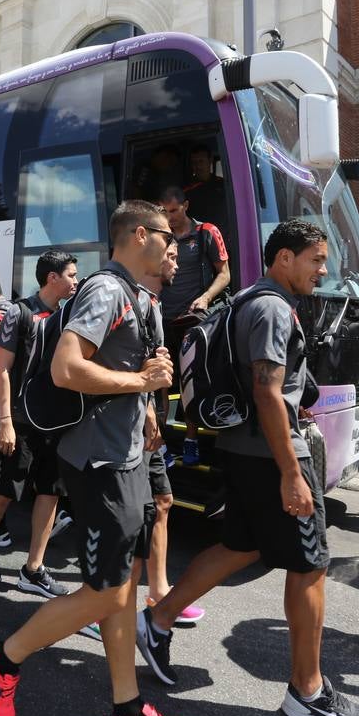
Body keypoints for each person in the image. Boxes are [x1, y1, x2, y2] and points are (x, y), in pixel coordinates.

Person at [137, 220, 359, 716]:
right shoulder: (269, 307)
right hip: (272, 454)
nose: (322, 270)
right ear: (283, 258)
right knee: (309, 566)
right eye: (315, 259)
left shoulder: (248, 300)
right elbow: (266, 390)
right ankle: (307, 693)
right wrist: (292, 472)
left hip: (248, 451)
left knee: (241, 546)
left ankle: (156, 620)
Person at [0, 200, 186, 716]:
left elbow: (132, 371)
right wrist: (142, 383)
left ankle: (128, 710)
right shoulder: (106, 289)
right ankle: (0, 661)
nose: (175, 243)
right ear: (140, 235)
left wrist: (149, 405)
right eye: (168, 234)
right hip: (98, 463)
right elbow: (68, 368)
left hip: (128, 457)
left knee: (122, 588)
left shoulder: (141, 297)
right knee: (108, 590)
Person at [0, 253, 78, 598]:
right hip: (19, 421)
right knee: (4, 493)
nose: (76, 281)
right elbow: (2, 369)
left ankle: (33, 569)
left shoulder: (70, 315)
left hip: (55, 420)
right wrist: (5, 422)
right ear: (51, 278)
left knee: (50, 492)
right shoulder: (20, 313)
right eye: (71, 275)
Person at [140, 240, 204, 626]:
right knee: (130, 520)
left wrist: (157, 413)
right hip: (123, 433)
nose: (178, 264)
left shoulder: (155, 303)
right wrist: (149, 410)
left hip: (148, 424)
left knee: (163, 501)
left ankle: (159, 592)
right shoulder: (125, 298)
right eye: (172, 255)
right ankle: (99, 606)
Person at [156, 185, 230, 466]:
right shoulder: (159, 238)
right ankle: (161, 443)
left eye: (173, 211)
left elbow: (224, 274)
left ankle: (190, 439)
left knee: (189, 384)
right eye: (164, 211)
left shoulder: (206, 232)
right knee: (161, 381)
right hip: (162, 319)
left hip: (191, 320)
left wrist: (205, 298)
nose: (170, 217)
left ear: (185, 206)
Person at [182, 144, 227, 232]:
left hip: (225, 236)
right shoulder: (186, 191)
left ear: (210, 161)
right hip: (200, 237)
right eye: (194, 162)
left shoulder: (224, 184)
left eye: (201, 161)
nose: (198, 166)